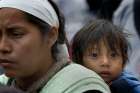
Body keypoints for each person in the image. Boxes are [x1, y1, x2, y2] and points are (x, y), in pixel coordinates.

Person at [0, 0, 111, 93]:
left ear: (51, 35)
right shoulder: (3, 83)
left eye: (16, 34)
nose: (3, 47)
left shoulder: (84, 88)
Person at [71, 19, 140, 93]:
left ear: (124, 60)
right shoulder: (72, 85)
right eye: (94, 55)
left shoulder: (130, 88)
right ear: (79, 59)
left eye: (113, 55)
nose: (105, 62)